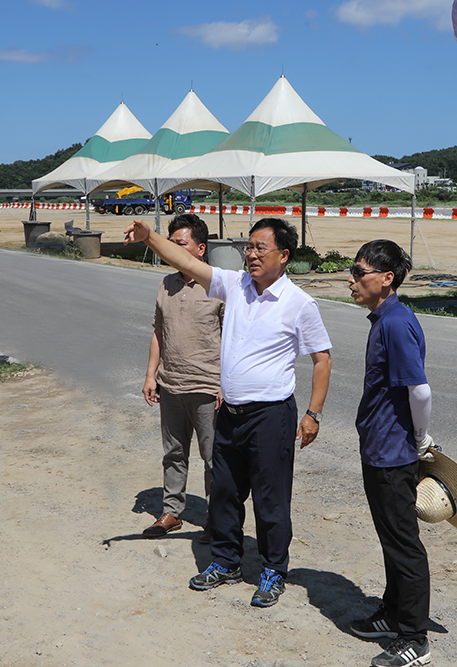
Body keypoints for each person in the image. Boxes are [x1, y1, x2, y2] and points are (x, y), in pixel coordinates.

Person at [125, 217, 331, 608]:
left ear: (284, 256)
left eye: (260, 248)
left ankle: (272, 570)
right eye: (249, 247)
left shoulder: (299, 303)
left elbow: (322, 360)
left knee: (271, 500)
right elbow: (188, 264)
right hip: (231, 413)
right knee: (224, 494)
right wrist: (149, 237)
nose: (251, 255)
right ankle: (226, 561)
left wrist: (313, 413)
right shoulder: (235, 285)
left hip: (271, 416)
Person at [346, 239, 433, 667]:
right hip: (380, 448)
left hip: (393, 453)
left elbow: (420, 389)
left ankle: (415, 639)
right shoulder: (384, 318)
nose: (351, 279)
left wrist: (420, 438)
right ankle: (394, 613)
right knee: (391, 539)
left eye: (359, 272)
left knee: (404, 545)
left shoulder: (396, 323)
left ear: (386, 279)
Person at [140, 214, 223, 542]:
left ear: (200, 249)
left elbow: (233, 339)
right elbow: (159, 332)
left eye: (180, 243)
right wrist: (150, 375)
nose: (172, 249)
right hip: (171, 385)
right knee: (173, 452)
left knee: (214, 457)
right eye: (170, 243)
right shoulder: (166, 285)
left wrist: (225, 384)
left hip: (207, 387)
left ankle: (218, 518)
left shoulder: (218, 287)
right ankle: (171, 511)